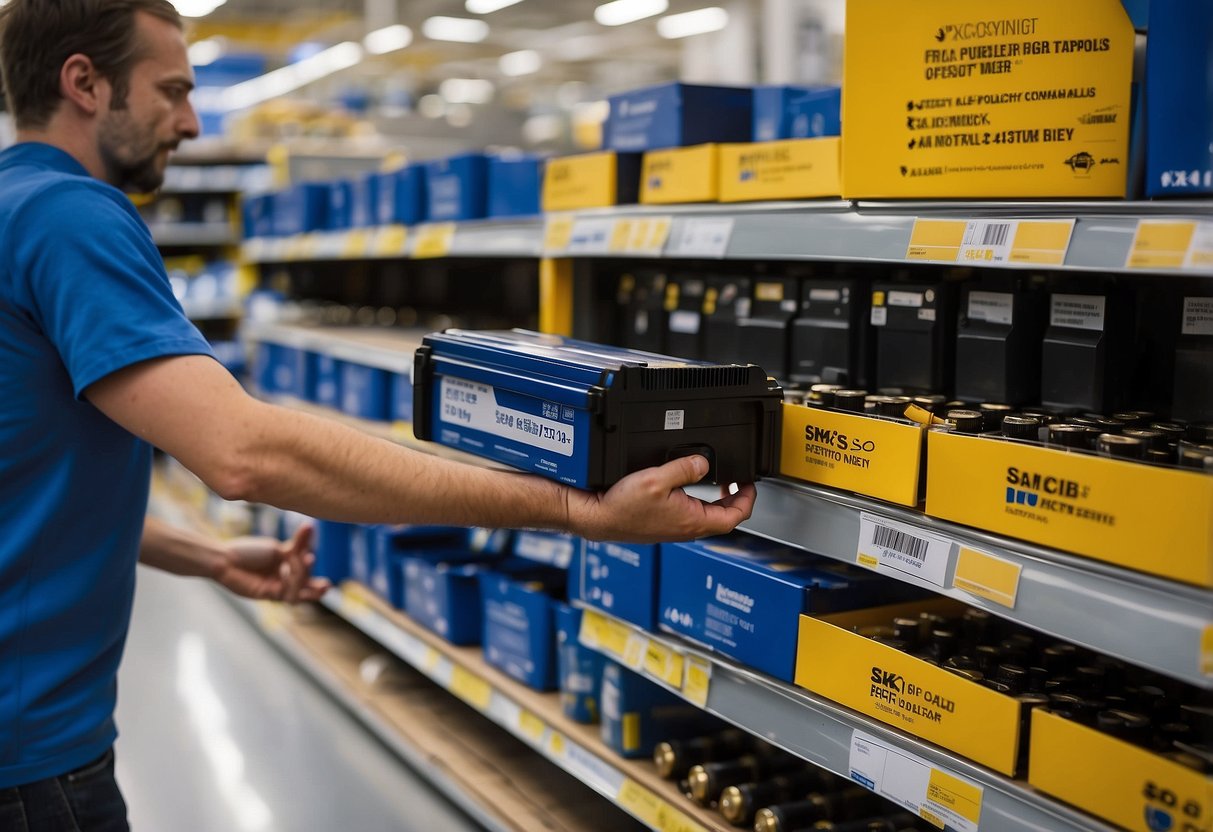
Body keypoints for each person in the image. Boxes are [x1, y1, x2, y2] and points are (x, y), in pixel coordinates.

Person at [0, 0, 757, 827]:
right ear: (84, 82)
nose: (188, 120)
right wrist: (573, 508)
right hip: (37, 764)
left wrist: (206, 556)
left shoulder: (11, 206)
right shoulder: (70, 218)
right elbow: (244, 455)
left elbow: (29, 482)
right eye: (172, 89)